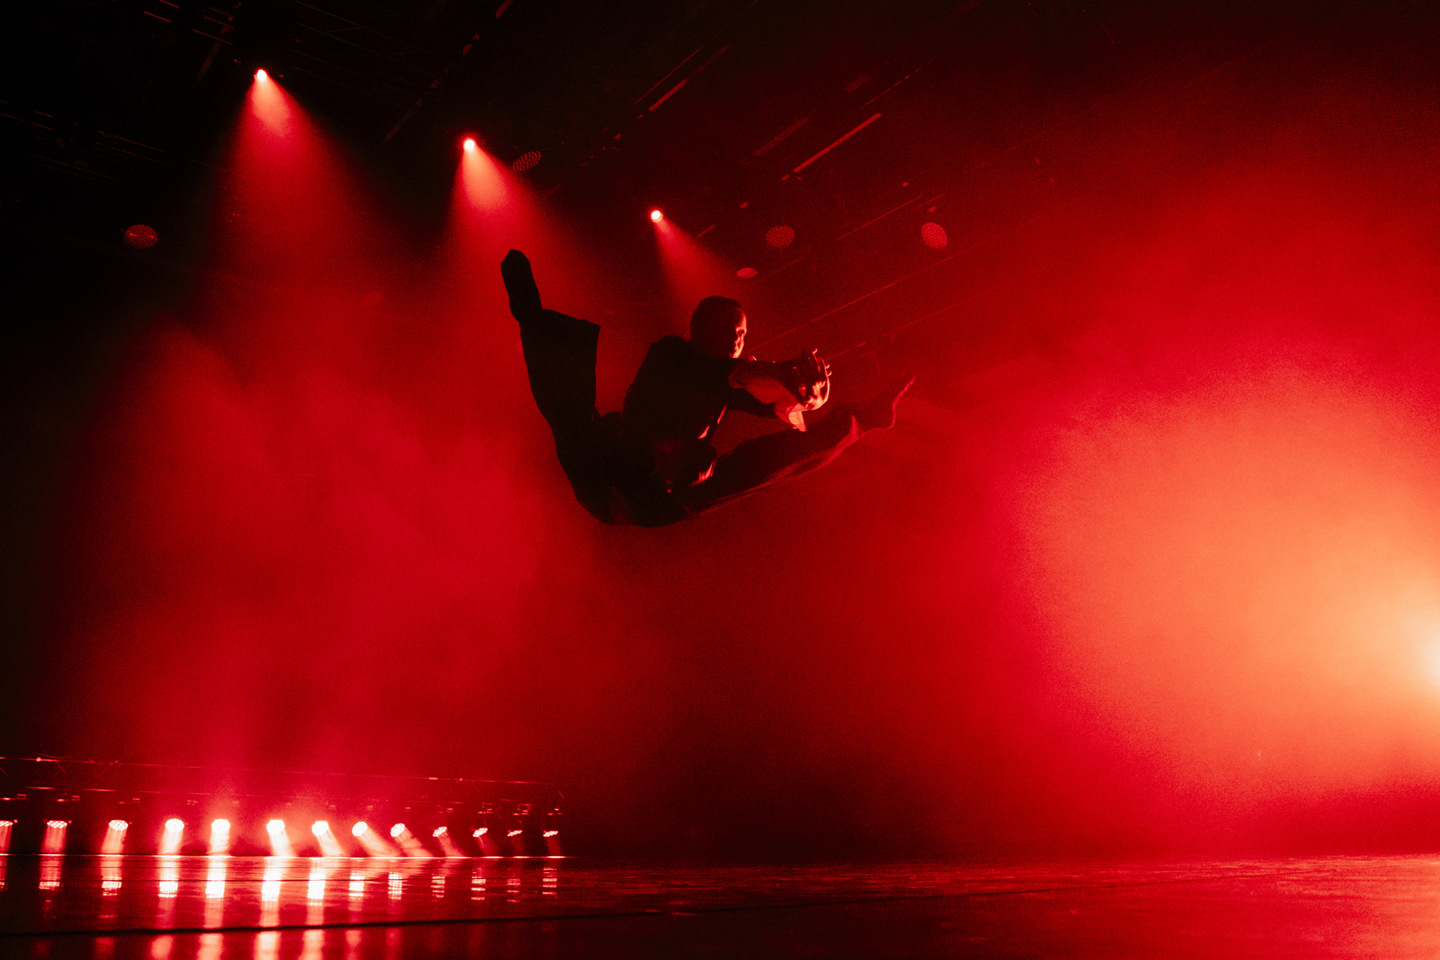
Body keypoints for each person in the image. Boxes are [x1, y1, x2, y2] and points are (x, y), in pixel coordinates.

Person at [501, 249, 911, 526]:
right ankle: (532, 317)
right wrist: (778, 374)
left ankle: (864, 418)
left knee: (769, 460)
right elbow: (721, 375)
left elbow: (771, 401)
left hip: (663, 495)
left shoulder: (737, 377)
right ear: (698, 328)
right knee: (569, 415)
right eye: (728, 330)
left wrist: (808, 397)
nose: (738, 340)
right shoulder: (671, 354)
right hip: (613, 474)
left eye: (743, 333)